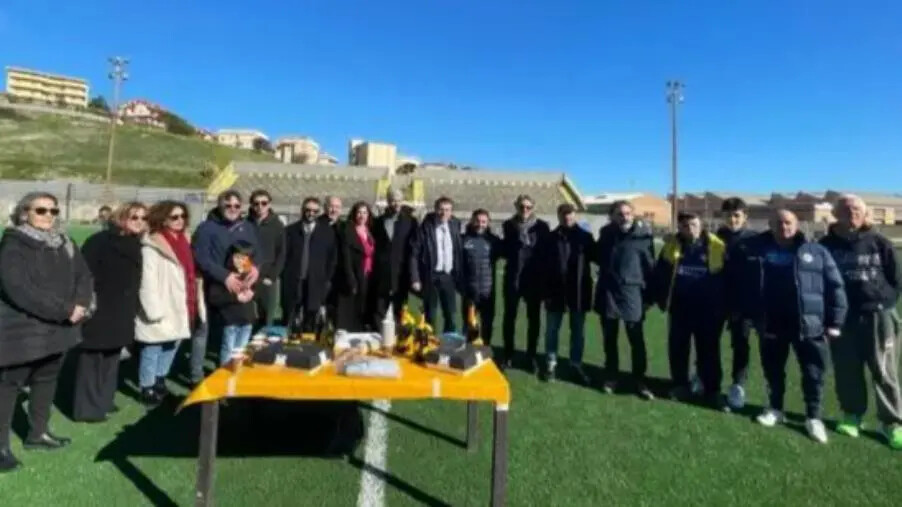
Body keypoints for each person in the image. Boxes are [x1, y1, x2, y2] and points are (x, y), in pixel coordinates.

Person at [0, 192, 94, 472]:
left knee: (47, 378)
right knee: (7, 388)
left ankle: (37, 434)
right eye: (41, 210)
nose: (48, 216)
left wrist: (80, 303)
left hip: (59, 329)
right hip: (23, 329)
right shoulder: (13, 245)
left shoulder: (65, 241)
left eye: (53, 211)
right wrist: (65, 310)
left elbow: (84, 275)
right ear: (24, 212)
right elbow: (19, 289)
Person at [744, 209, 846, 444]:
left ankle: (813, 417)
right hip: (772, 321)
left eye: (788, 223)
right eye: (778, 223)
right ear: (770, 224)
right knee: (773, 369)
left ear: (797, 224)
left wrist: (836, 321)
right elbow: (747, 285)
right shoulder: (758, 250)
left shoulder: (816, 251)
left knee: (813, 372)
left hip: (809, 323)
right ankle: (775, 409)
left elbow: (835, 286)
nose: (784, 227)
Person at [820, 195, 901, 449]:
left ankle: (892, 423)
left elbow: (896, 278)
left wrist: (882, 302)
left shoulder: (879, 242)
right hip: (842, 318)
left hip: (878, 316)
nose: (852, 213)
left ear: (865, 214)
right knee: (847, 369)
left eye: (857, 209)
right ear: (835, 214)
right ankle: (852, 415)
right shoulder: (825, 245)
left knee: (884, 370)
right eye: (846, 209)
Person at [74, 202, 146, 423]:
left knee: (112, 358)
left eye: (143, 218)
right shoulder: (100, 241)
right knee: (93, 360)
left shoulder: (136, 243)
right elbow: (83, 274)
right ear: (121, 218)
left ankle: (104, 400)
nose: (140, 222)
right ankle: (87, 408)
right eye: (134, 217)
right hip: (100, 309)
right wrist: (86, 302)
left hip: (122, 310)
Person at [653, 212, 727, 409]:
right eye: (685, 225)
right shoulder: (672, 246)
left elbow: (727, 277)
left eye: (694, 224)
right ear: (680, 228)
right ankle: (680, 385)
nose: (690, 228)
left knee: (709, 350)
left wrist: (724, 305)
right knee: (678, 348)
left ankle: (712, 390)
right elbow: (660, 272)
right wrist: (660, 298)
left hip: (708, 309)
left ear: (701, 224)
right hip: (679, 308)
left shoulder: (717, 246)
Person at [136, 201, 207, 407]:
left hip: (184, 299)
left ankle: (160, 378)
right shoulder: (152, 243)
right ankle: (146, 386)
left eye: (182, 216)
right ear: (162, 218)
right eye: (174, 217)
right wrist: (153, 309)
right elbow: (147, 280)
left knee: (173, 342)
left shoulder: (185, 239)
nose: (179, 221)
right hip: (163, 300)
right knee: (153, 346)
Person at [191, 190, 259, 384]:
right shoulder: (206, 228)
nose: (232, 209)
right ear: (220, 206)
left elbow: (254, 253)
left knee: (236, 328)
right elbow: (201, 257)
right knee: (203, 331)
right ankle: (197, 376)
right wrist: (224, 275)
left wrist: (255, 269)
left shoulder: (246, 227)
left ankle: (232, 371)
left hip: (239, 286)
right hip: (213, 285)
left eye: (237, 206)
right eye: (228, 205)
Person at [593, 200, 655, 400]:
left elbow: (650, 268)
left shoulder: (644, 237)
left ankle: (640, 380)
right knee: (610, 338)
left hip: (632, 293)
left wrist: (648, 297)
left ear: (633, 214)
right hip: (609, 292)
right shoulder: (606, 234)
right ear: (612, 216)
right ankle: (611, 376)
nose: (624, 217)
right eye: (620, 213)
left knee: (636, 339)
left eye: (628, 213)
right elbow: (598, 257)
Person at [539, 204, 594, 384]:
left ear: (574, 215)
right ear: (559, 215)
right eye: (563, 214)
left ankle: (575, 364)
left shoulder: (586, 237)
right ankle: (551, 362)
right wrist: (545, 291)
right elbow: (544, 267)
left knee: (577, 331)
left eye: (570, 214)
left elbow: (601, 258)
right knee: (552, 330)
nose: (567, 217)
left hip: (578, 292)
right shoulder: (551, 238)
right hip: (555, 291)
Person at [716, 197, 759, 410]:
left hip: (743, 303)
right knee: (707, 340)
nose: (732, 219)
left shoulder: (755, 239)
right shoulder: (716, 237)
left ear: (745, 217)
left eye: (736, 215)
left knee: (740, 344)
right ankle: (704, 376)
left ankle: (738, 385)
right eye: (728, 215)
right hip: (716, 299)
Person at [500, 194, 550, 371]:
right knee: (509, 318)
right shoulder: (508, 225)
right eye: (522, 206)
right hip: (513, 278)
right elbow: (505, 249)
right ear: (516, 206)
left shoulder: (542, 227)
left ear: (533, 208)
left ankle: (531, 356)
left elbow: (546, 255)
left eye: (528, 207)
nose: (524, 210)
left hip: (533, 280)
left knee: (534, 320)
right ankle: (508, 355)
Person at [281, 197, 338, 331]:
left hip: (315, 283)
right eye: (308, 210)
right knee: (290, 320)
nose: (311, 213)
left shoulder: (327, 232)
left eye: (315, 211)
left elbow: (332, 258)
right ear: (302, 210)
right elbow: (283, 256)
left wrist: (326, 279)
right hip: (294, 281)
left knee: (311, 322)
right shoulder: (290, 231)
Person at [411, 196, 463, 333]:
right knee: (431, 316)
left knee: (451, 315)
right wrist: (415, 278)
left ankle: (448, 347)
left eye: (447, 210)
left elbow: (458, 252)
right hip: (430, 276)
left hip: (448, 276)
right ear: (435, 210)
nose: (444, 213)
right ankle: (430, 347)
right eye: (441, 209)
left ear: (451, 211)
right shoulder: (426, 227)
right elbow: (414, 254)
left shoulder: (455, 225)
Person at [207, 242, 257, 365]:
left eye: (245, 258)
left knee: (242, 351)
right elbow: (214, 297)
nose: (241, 261)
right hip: (230, 321)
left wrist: (253, 292)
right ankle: (224, 374)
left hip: (247, 320)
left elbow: (256, 289)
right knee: (228, 351)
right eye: (238, 257)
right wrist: (236, 297)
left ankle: (238, 374)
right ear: (231, 256)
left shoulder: (251, 273)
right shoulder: (223, 274)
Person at [373, 188, 417, 322]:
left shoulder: (411, 222)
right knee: (380, 307)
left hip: (401, 271)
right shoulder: (379, 222)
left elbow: (414, 248)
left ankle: (400, 336)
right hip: (383, 271)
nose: (396, 204)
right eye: (392, 201)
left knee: (400, 308)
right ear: (388, 202)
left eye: (398, 200)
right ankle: (381, 335)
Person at [460, 209, 501, 344]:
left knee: (487, 325)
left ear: (488, 223)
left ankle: (485, 351)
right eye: (477, 221)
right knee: (468, 324)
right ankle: (467, 351)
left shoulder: (494, 241)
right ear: (472, 221)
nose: (480, 224)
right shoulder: (463, 240)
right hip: (469, 292)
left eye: (483, 222)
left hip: (487, 292)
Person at [337, 202, 378, 331]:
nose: (362, 215)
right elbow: (346, 256)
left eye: (365, 213)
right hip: (354, 274)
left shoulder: (370, 231)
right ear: (354, 214)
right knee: (352, 308)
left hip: (368, 274)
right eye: (359, 212)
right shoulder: (348, 230)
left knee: (364, 307)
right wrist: (351, 278)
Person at [248, 189, 285, 332]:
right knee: (248, 318)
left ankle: (262, 351)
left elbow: (281, 253)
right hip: (249, 277)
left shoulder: (277, 225)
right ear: (251, 205)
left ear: (269, 204)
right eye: (256, 203)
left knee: (267, 318)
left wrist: (271, 276)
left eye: (264, 203)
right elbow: (240, 251)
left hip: (267, 278)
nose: (260, 207)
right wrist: (247, 273)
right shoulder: (246, 224)